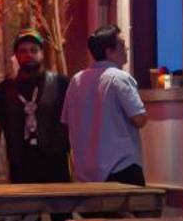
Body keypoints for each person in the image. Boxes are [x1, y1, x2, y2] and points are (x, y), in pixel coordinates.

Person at [0, 29, 74, 221]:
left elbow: (73, 123)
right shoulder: (5, 89)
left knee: (63, 220)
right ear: (16, 55)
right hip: (22, 163)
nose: (29, 55)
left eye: (33, 51)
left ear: (42, 53)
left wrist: (77, 160)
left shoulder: (59, 83)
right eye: (23, 51)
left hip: (54, 161)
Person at [63, 25, 149, 187]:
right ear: (109, 52)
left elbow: (66, 120)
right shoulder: (119, 78)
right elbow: (139, 119)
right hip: (121, 166)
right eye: (122, 45)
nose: (126, 49)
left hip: (86, 171)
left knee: (97, 212)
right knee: (139, 210)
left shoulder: (76, 80)